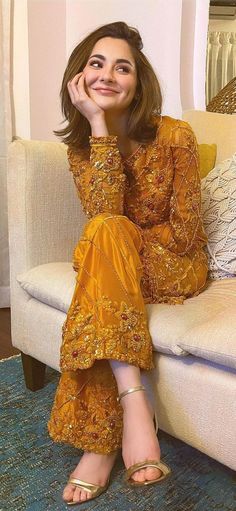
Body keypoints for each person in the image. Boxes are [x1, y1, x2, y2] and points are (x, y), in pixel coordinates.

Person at [48, 21, 208, 506]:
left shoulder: (176, 135)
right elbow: (103, 214)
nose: (108, 75)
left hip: (178, 266)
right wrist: (98, 126)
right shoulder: (83, 148)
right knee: (104, 230)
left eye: (123, 67)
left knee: (105, 237)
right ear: (79, 76)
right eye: (96, 63)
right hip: (115, 258)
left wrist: (122, 244)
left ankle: (98, 448)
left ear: (139, 82)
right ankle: (133, 404)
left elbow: (184, 236)